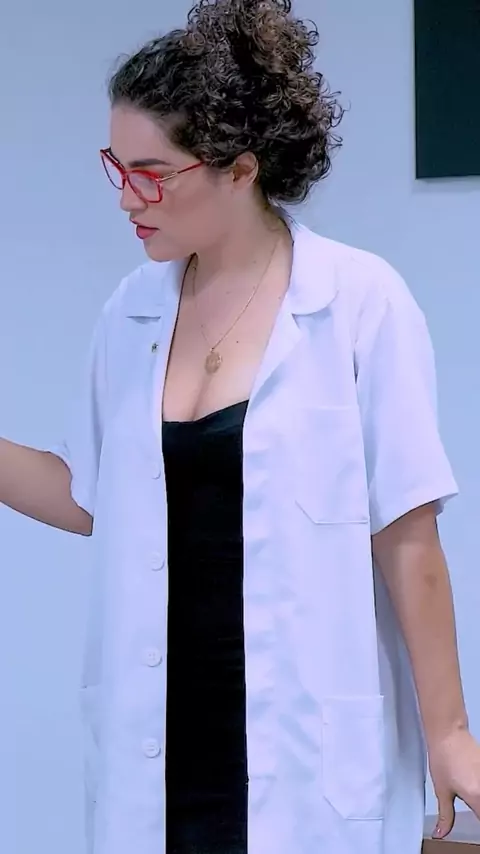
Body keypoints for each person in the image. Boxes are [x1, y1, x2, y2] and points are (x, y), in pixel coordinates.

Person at [2, 0, 480, 852]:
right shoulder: (131, 314)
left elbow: (407, 535)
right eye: (117, 168)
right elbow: (88, 495)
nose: (127, 199)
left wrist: (449, 731)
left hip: (300, 755)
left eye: (152, 173)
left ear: (239, 169)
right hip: (156, 753)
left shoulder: (359, 304)